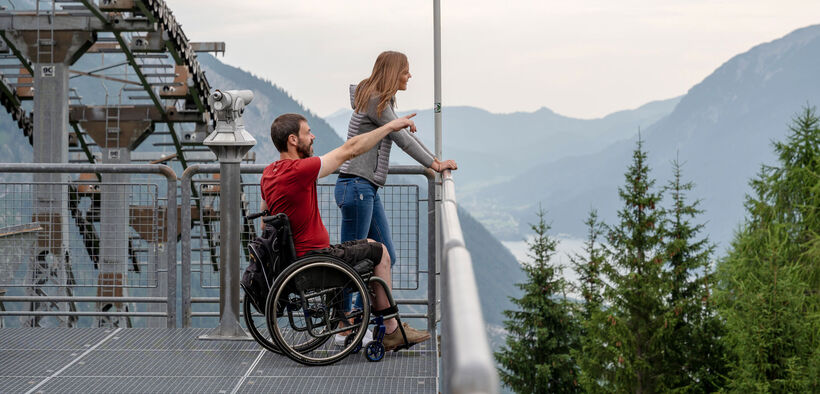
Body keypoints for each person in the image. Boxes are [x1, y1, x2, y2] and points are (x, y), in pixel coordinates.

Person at [260, 112, 430, 351]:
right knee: (380, 252)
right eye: (307, 132)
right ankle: (391, 329)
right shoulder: (299, 170)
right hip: (316, 262)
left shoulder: (269, 173)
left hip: (298, 262)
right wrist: (390, 126)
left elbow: (264, 221)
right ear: (293, 140)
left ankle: (347, 321)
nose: (313, 136)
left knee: (365, 243)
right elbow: (350, 149)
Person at [334, 51, 457, 323]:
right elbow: (402, 139)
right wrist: (435, 165)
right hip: (356, 186)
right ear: (393, 72)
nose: (409, 76)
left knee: (385, 253)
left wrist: (435, 161)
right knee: (350, 261)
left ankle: (374, 319)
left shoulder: (376, 99)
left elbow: (402, 133)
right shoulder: (376, 100)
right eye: (405, 71)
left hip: (364, 188)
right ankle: (343, 321)